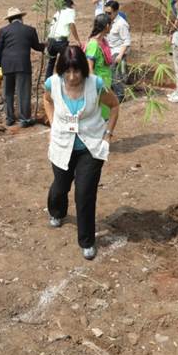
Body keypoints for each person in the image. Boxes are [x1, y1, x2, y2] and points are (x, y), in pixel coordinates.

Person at [43, 46, 119, 260]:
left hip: (90, 145)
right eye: (67, 71)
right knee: (60, 186)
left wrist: (108, 133)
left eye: (77, 71)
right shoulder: (53, 83)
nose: (72, 77)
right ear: (61, 70)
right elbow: (47, 100)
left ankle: (87, 241)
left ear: (84, 70)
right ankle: (57, 211)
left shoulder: (95, 84)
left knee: (84, 193)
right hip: (62, 143)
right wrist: (52, 125)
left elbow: (114, 106)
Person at [0, 7, 45, 127]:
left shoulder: (4, 31)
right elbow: (36, 46)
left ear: (9, 20)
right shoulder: (29, 30)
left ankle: (9, 118)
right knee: (23, 93)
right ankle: (24, 119)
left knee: (8, 93)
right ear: (21, 18)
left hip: (7, 65)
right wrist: (46, 45)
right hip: (23, 65)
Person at [46, 0, 81, 79]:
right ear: (71, 5)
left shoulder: (57, 12)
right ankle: (62, 82)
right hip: (60, 42)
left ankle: (47, 84)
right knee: (64, 63)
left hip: (51, 41)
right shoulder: (70, 11)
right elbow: (72, 25)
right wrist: (77, 40)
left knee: (51, 63)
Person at [104, 0, 131, 102]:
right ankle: (110, 92)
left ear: (116, 12)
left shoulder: (122, 24)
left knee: (114, 73)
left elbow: (127, 41)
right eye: (105, 12)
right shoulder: (107, 21)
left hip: (117, 50)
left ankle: (120, 95)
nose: (107, 15)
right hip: (108, 50)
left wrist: (120, 55)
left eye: (109, 13)